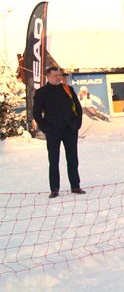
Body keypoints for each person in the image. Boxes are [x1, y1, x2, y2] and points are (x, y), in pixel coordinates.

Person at [32, 67, 85, 197]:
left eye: (59, 75)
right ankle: (54, 189)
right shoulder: (41, 92)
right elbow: (36, 114)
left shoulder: (68, 89)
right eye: (55, 75)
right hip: (52, 131)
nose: (58, 77)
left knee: (73, 159)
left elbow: (78, 108)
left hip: (70, 130)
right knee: (54, 160)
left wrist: (77, 124)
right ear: (48, 77)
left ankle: (75, 186)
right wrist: (45, 128)